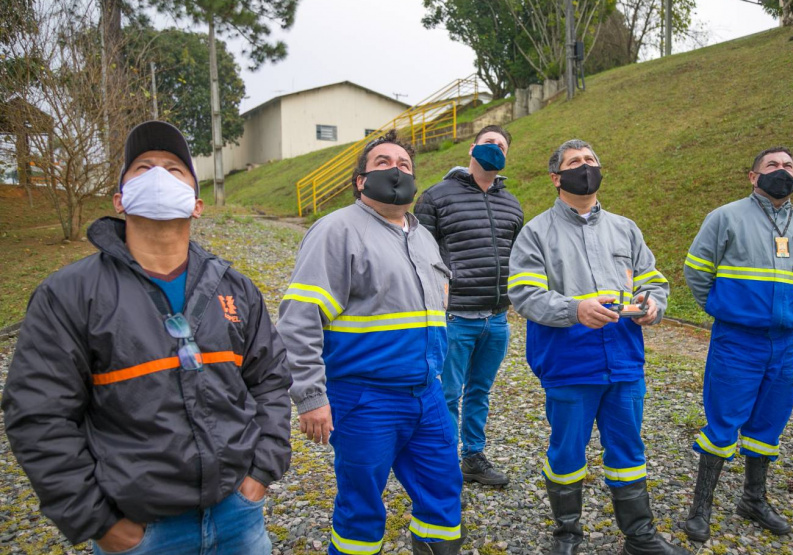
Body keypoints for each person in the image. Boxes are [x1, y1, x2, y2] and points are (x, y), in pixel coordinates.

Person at [1, 120, 292, 554]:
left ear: (197, 205)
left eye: (174, 169)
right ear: (120, 200)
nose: (158, 175)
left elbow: (270, 380)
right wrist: (100, 523)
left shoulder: (235, 288)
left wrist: (260, 475)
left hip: (238, 516)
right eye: (142, 167)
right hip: (140, 535)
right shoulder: (69, 294)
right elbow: (38, 415)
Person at [276, 130, 465, 555]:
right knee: (360, 506)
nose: (395, 170)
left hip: (428, 394)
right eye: (383, 163)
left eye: (404, 164)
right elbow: (300, 319)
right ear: (360, 180)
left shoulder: (423, 237)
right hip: (366, 399)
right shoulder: (336, 230)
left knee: (443, 491)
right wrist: (310, 396)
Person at [508, 139, 688, 555]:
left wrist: (652, 305)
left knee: (628, 448)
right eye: (574, 162)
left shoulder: (625, 228)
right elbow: (525, 295)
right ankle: (567, 535)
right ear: (556, 178)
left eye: (590, 160)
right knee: (567, 451)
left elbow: (652, 279)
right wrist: (575, 309)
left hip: (624, 360)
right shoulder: (536, 232)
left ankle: (639, 536)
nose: (585, 166)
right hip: (569, 362)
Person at [681, 146, 793, 542]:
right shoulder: (726, 217)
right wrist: (724, 309)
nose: (782, 171)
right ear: (753, 176)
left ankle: (753, 500)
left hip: (784, 344)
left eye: (789, 165)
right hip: (737, 341)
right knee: (724, 421)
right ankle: (701, 508)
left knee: (769, 422)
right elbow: (696, 272)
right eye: (772, 165)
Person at [414, 125, 524, 486]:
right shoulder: (435, 197)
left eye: (501, 145)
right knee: (447, 394)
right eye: (489, 142)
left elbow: (518, 256)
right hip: (455, 316)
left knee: (480, 391)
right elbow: (418, 254)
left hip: (497, 318)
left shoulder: (511, 203)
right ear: (472, 148)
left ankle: (473, 457)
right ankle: (443, 464)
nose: (495, 148)